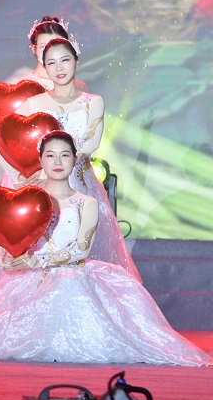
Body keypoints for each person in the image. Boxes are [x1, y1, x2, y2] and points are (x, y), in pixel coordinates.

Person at [0, 131, 213, 365]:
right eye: (50, 156)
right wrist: (3, 262)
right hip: (27, 277)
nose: (57, 162)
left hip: (70, 272)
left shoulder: (86, 203)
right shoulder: (24, 201)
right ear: (40, 160)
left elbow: (81, 249)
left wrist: (37, 261)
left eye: (64, 155)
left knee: (69, 282)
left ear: (75, 159)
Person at [10, 37, 138, 277]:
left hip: (79, 182)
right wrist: (19, 173)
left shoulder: (93, 102)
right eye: (52, 63)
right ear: (44, 66)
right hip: (43, 186)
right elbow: (5, 134)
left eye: (65, 60)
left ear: (76, 62)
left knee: (83, 255)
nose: (59, 68)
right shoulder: (34, 103)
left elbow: (91, 143)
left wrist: (61, 165)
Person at [0, 16, 86, 185]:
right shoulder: (18, 86)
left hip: (68, 172)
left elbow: (84, 134)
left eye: (55, 44)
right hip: (29, 177)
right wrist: (16, 174)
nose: (50, 51)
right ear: (33, 48)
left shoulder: (77, 87)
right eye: (44, 46)